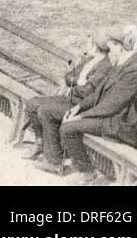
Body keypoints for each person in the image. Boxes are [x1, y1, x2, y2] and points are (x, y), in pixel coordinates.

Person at [36, 24, 137, 184]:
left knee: (68, 127)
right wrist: (78, 108)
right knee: (66, 122)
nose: (110, 52)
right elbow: (97, 95)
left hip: (118, 124)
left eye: (112, 47)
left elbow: (112, 105)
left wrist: (81, 116)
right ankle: (70, 165)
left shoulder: (134, 70)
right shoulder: (121, 64)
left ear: (120, 47)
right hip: (107, 118)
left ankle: (87, 173)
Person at [24, 30, 111, 161]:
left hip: (82, 106)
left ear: (95, 47)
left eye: (88, 44)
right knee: (32, 103)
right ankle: (41, 143)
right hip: (70, 98)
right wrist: (78, 82)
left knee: (46, 111)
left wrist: (76, 86)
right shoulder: (88, 60)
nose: (85, 47)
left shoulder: (106, 66)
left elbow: (88, 92)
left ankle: (54, 158)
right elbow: (68, 77)